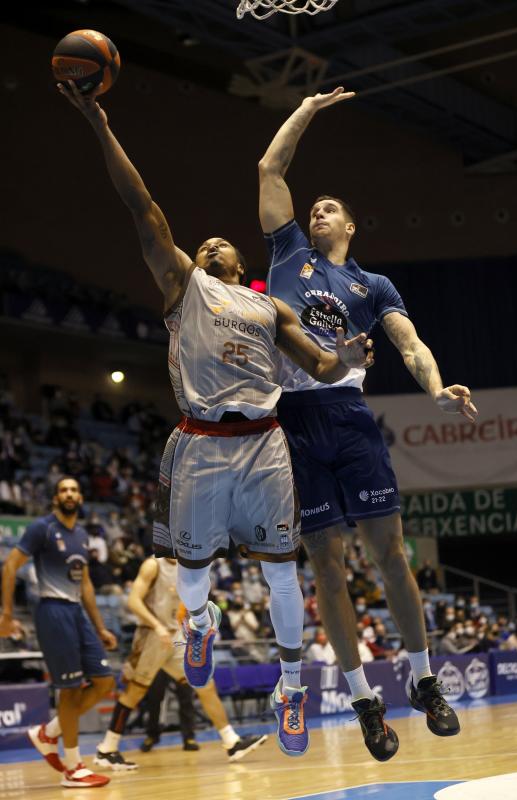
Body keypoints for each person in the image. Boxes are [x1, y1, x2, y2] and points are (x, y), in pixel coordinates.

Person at [59, 79, 372, 758]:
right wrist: (97, 122)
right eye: (201, 243)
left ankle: (291, 689)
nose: (209, 245)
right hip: (200, 442)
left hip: (262, 442)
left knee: (282, 572)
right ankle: (198, 623)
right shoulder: (183, 285)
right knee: (191, 576)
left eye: (221, 244)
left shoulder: (267, 308)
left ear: (242, 264)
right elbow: (139, 205)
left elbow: (318, 368)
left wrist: (340, 354)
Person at [258, 85, 479, 761]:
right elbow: (270, 170)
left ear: (347, 227)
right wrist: (306, 109)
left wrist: (436, 388)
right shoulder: (284, 253)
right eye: (313, 207)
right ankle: (363, 700)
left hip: (349, 417)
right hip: (292, 418)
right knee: (326, 566)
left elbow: (409, 345)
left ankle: (421, 680)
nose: (315, 211)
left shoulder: (371, 287)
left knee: (390, 557)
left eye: (328, 209)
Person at [95, 556, 266, 768]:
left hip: (174, 636)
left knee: (205, 684)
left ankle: (232, 742)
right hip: (151, 636)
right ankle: (107, 749)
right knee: (134, 693)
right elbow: (133, 602)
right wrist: (157, 625)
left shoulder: (185, 566)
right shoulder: (152, 565)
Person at [0, 477, 116, 788]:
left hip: (77, 611)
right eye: (63, 489)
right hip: (52, 611)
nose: (69, 493)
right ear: (55, 498)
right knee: (72, 689)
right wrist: (7, 615)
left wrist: (101, 627)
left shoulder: (81, 535)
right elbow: (10, 566)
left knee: (105, 682)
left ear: (80, 498)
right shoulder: (42, 528)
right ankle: (73, 766)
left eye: (74, 489)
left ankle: (49, 732)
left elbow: (87, 584)